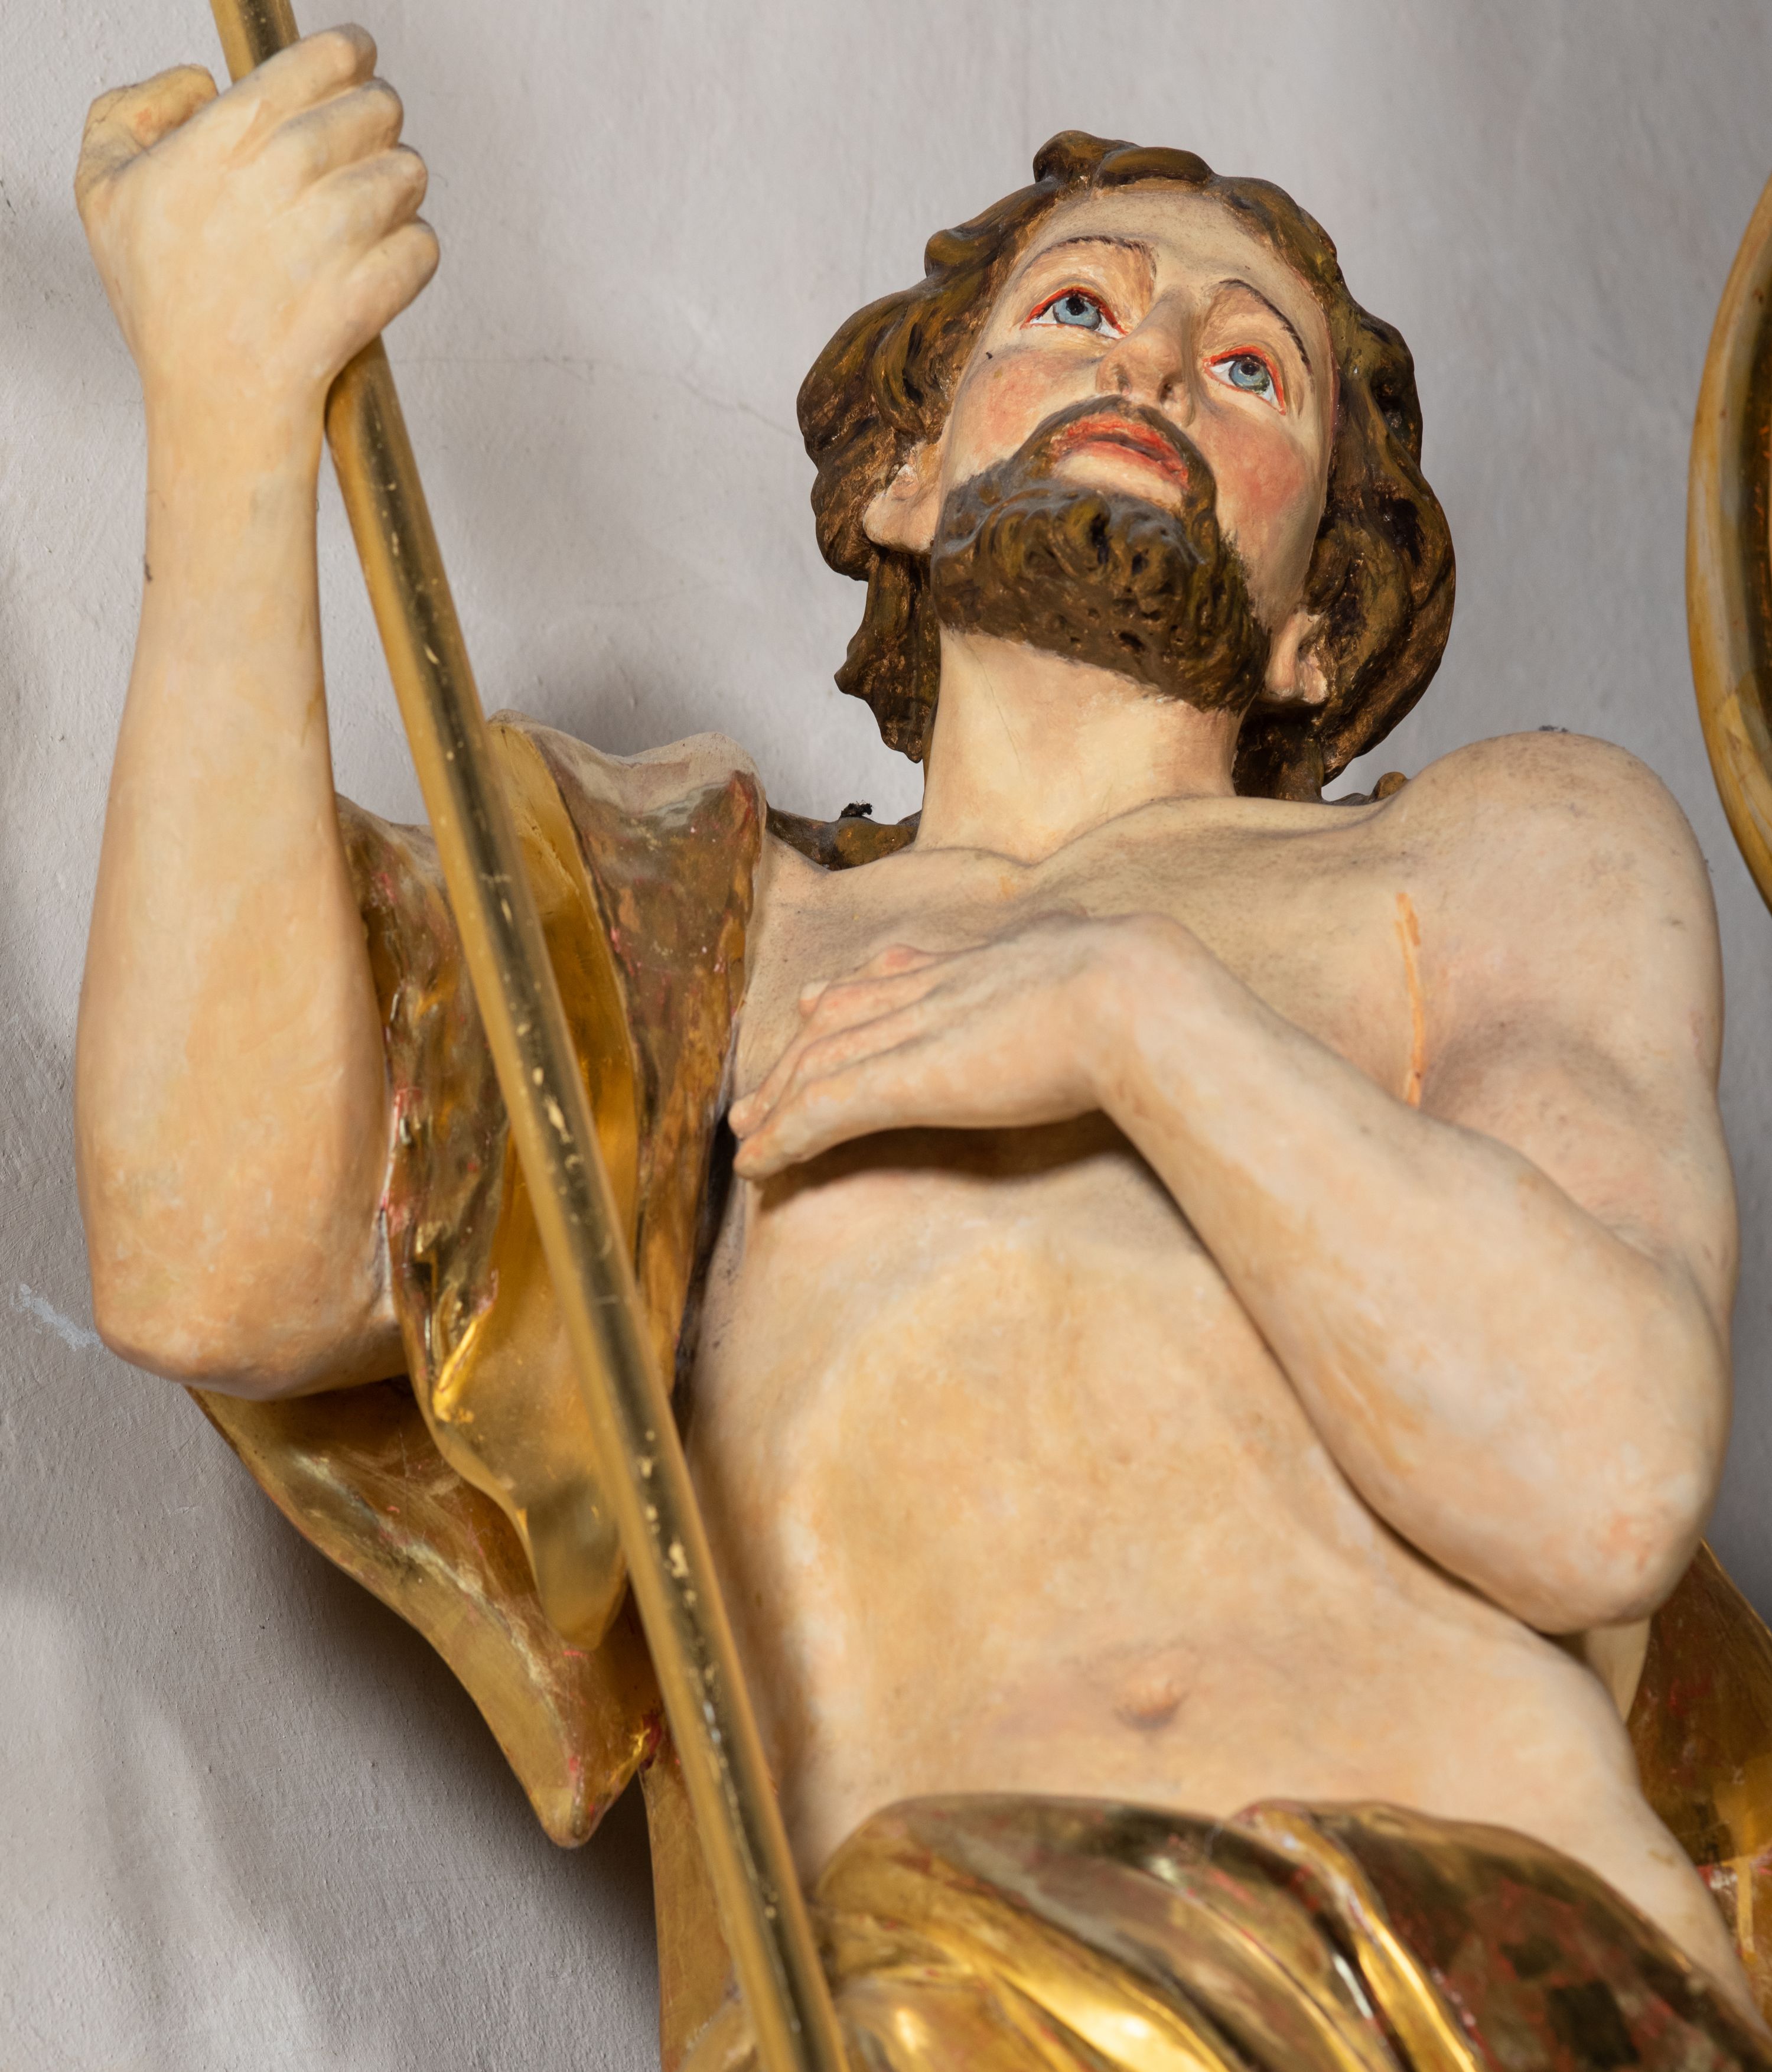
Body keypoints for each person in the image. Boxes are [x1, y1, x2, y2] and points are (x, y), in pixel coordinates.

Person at [71, 25, 1772, 2067]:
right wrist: (231, 420)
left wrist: (1128, 1014)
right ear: (900, 478)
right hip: (939, 2005)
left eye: (1254, 370)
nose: (1159, 366)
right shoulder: (696, 928)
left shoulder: (1491, 851)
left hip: (1491, 1984)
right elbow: (220, 1257)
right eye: (1079, 312)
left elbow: (1598, 1471)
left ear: (1316, 629)